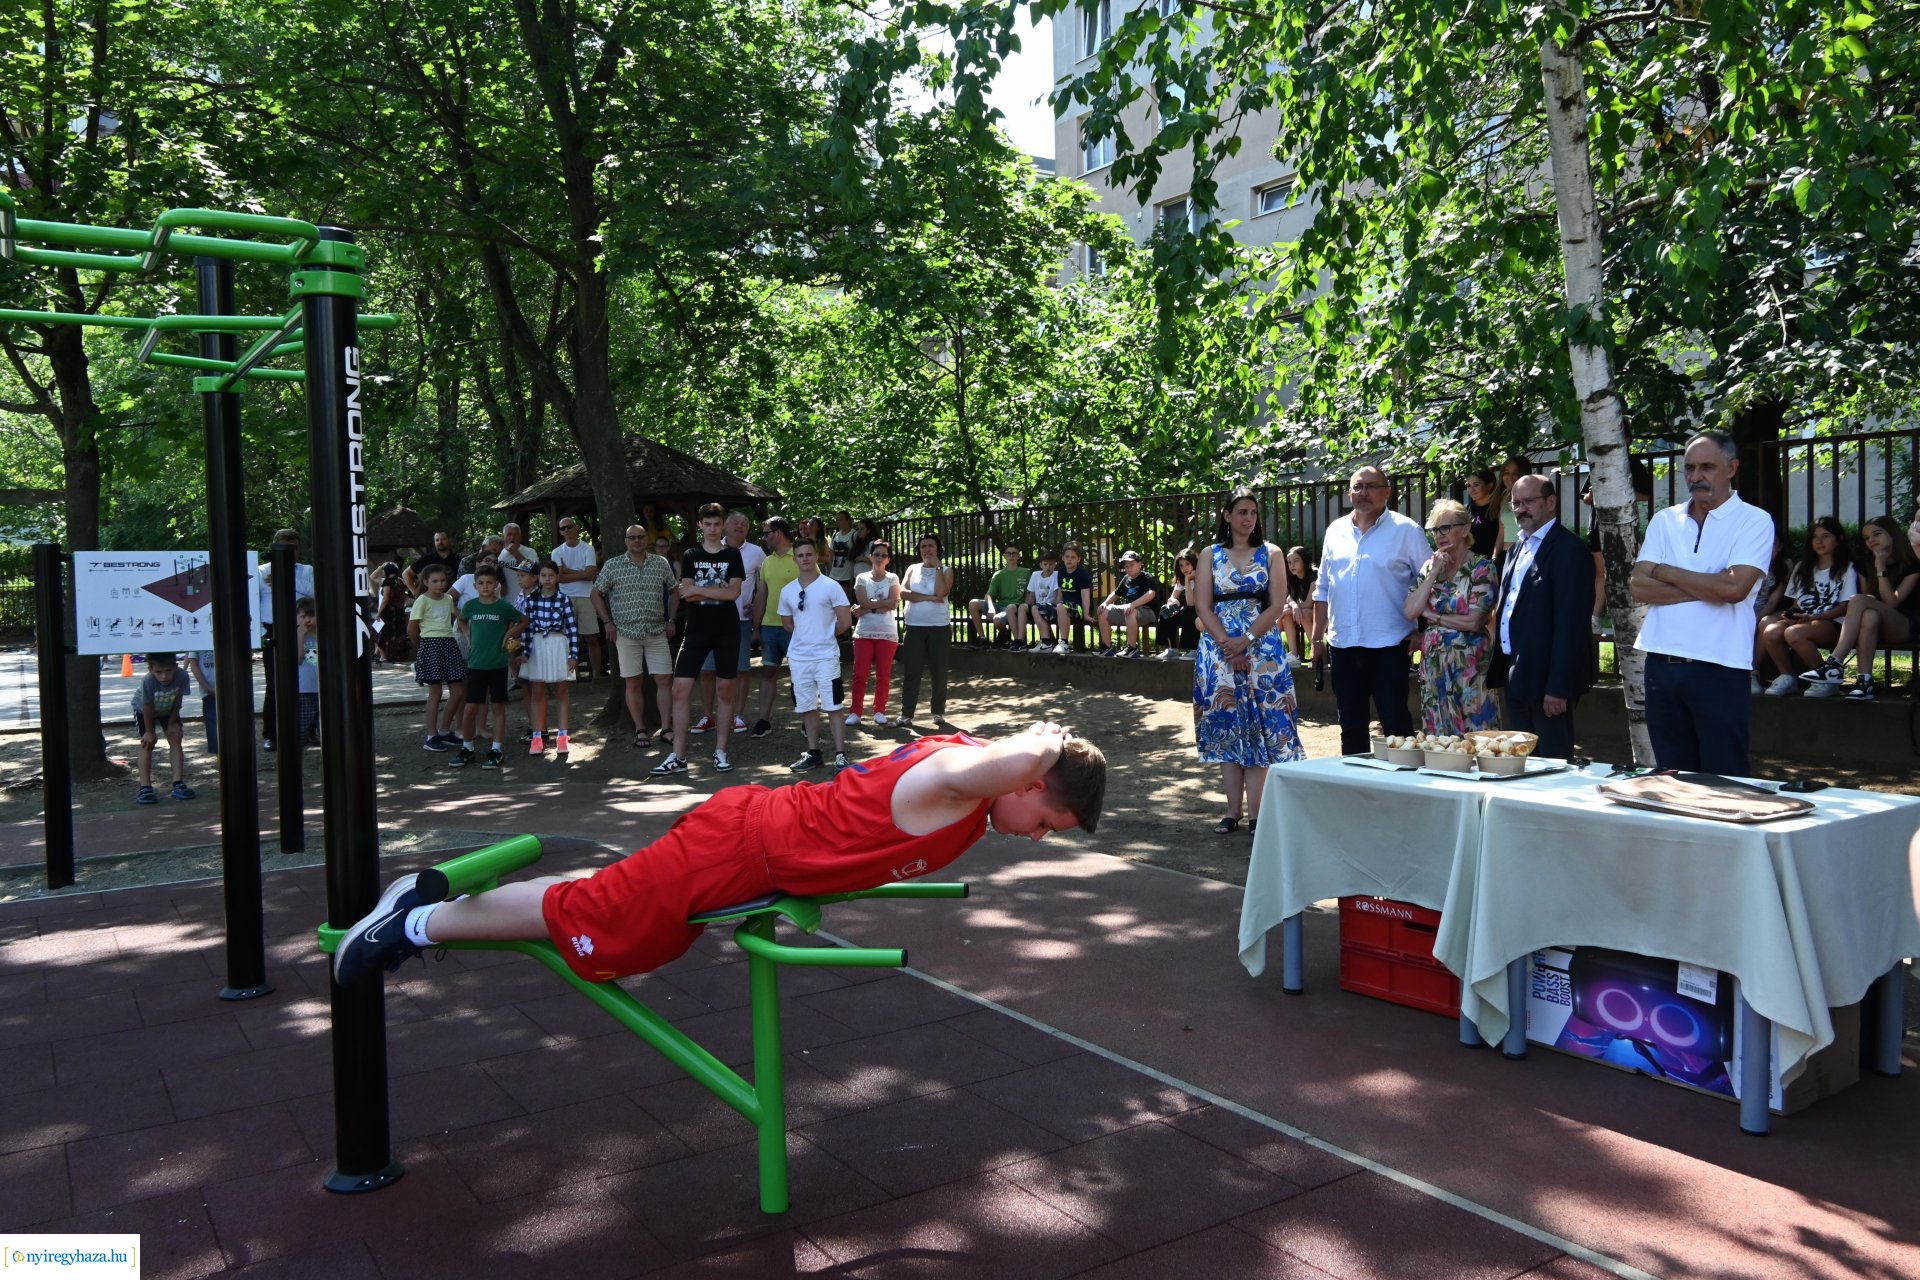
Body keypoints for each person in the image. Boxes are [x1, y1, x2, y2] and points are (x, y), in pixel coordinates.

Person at [332, 724, 1106, 987]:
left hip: (749, 842)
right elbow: (1008, 762)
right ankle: (413, 922)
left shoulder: (976, 796)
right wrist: (1048, 737)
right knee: (607, 920)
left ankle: (428, 905)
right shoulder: (961, 778)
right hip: (737, 850)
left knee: (612, 898)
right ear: (1031, 781)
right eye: (1047, 821)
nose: (1038, 836)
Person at [1629, 430, 1775, 774]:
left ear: (1731, 468)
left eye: (1707, 467)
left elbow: (1734, 589)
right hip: (1662, 664)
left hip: (1720, 665)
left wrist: (1664, 570)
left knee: (1724, 777)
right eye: (1690, 468)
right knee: (1672, 777)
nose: (1696, 476)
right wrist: (1710, 585)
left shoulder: (1754, 521)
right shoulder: (1665, 519)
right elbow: (1638, 587)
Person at [1193, 488, 1304, 834]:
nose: (1248, 518)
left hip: (1262, 648)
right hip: (1219, 649)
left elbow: (1277, 604)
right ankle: (1232, 811)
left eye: (1253, 512)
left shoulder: (1272, 552)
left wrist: (1247, 640)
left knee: (1262, 726)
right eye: (1241, 512)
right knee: (1228, 727)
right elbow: (1202, 605)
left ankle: (1256, 814)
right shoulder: (1209, 554)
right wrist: (1229, 646)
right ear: (1227, 516)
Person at [1310, 467, 1428, 755]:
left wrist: (1423, 630)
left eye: (1371, 486)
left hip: (1390, 645)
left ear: (1387, 492)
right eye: (1357, 487)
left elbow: (1430, 581)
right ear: (1349, 492)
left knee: (1396, 725)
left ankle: (1403, 780)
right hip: (1343, 645)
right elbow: (1323, 588)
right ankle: (1355, 781)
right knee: (1350, 726)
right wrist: (1315, 639)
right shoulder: (1335, 530)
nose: (1363, 493)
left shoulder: (1406, 530)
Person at [1492, 478, 1593, 756]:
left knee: (1552, 762)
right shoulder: (1516, 549)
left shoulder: (1569, 550)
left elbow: (1572, 626)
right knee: (1521, 762)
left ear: (1551, 502)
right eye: (1515, 503)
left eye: (1528, 501)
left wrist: (1559, 687)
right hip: (1516, 671)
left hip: (1548, 678)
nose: (1520, 509)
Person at [654, 503, 745, 776]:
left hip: (727, 631)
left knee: (725, 691)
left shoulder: (732, 554)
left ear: (723, 525)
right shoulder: (692, 555)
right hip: (695, 631)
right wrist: (716, 589)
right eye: (708, 524)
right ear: (700, 526)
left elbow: (734, 593)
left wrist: (700, 589)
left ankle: (720, 751)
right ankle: (678, 756)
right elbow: (686, 594)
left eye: (717, 524)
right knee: (680, 689)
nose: (713, 529)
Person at [1404, 499, 1499, 737]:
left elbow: (1475, 622)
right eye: (1435, 529)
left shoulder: (1481, 567)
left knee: (1477, 735)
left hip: (1470, 667)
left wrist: (1432, 615)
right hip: (1434, 666)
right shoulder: (1430, 567)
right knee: (1438, 734)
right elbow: (1410, 610)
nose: (1439, 535)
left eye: (1445, 528)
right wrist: (1434, 572)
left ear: (1465, 530)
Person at [1799, 515, 1919, 701]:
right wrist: (1873, 576)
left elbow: (1891, 602)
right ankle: (1865, 682)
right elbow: (1867, 599)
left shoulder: (1912, 564)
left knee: (1859, 601)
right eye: (1867, 537)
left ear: (1892, 534)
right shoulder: (1863, 564)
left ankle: (1834, 663)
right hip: (1874, 622)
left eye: (1877, 534)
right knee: (1869, 614)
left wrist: (1880, 568)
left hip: (1904, 625)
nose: (1871, 540)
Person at [593, 525, 678, 748]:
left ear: (646, 539)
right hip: (626, 633)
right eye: (632, 538)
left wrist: (671, 619)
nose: (637, 541)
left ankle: (666, 728)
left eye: (640, 537)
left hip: (657, 630)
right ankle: (640, 729)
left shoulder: (660, 563)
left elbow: (674, 590)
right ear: (626, 541)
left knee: (664, 680)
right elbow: (596, 593)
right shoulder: (613, 565)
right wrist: (607, 622)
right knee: (633, 682)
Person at [1756, 515, 1858, 696]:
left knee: (1793, 633)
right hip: (1805, 619)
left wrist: (1815, 617)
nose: (1819, 541)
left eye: (1825, 536)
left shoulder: (1847, 568)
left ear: (1839, 539)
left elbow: (1845, 607)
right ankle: (1787, 676)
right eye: (1815, 537)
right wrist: (1793, 616)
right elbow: (1796, 603)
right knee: (1770, 629)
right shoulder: (1802, 567)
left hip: (1832, 621)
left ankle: (1827, 678)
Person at [779, 538, 853, 770]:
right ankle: (814, 753)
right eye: (800, 555)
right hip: (799, 658)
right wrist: (807, 636)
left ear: (816, 556)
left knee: (833, 705)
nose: (805, 559)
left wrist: (824, 636)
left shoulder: (831, 586)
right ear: (794, 559)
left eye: (809, 554)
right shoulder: (787, 590)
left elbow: (845, 621)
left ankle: (840, 755)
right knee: (807, 706)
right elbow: (788, 623)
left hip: (826, 657)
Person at [693, 511, 762, 738]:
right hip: (709, 619)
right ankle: (707, 716)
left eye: (744, 524)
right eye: (735, 523)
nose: (739, 526)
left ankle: (738, 715)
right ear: (726, 526)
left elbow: (765, 583)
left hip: (741, 621)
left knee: (741, 669)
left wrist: (756, 604)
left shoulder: (757, 552)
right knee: (707, 670)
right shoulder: (710, 549)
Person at [451, 566, 526, 769]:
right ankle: (467, 748)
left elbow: (523, 620)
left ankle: (496, 750)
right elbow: (461, 619)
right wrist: (467, 634)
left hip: (498, 665)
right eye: (481, 583)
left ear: (496, 585)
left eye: (489, 583)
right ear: (475, 586)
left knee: (498, 707)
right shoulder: (471, 606)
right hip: (476, 665)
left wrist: (509, 634)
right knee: (470, 709)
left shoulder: (503, 607)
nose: (485, 587)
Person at [257, 527, 314, 753]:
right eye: (284, 548)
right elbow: (252, 600)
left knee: (310, 676)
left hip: (307, 631)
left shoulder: (307, 571)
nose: (290, 553)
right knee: (275, 682)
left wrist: (286, 578)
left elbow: (316, 593)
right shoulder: (261, 572)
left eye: (293, 548)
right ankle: (271, 734)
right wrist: (261, 631)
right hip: (273, 632)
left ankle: (310, 728)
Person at [518, 560, 581, 756]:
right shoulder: (531, 600)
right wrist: (525, 652)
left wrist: (573, 653)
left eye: (551, 575)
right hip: (537, 645)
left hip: (558, 644)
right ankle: (537, 736)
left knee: (561, 690)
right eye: (544, 575)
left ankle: (562, 736)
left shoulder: (564, 600)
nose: (547, 579)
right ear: (538, 577)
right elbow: (527, 628)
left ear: (557, 578)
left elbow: (572, 628)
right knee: (537, 691)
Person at [1582, 458, 1653, 629]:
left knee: (1626, 572)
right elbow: (1585, 498)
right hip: (1598, 528)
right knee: (1601, 574)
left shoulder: (1633, 464)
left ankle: (1634, 618)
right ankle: (1595, 618)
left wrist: (1617, 494)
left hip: (1623, 528)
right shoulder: (1598, 461)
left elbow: (1645, 495)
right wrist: (1591, 496)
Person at [750, 517, 800, 740]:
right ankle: (763, 720)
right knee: (769, 672)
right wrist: (756, 628)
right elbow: (761, 595)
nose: (764, 538)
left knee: (800, 674)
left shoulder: (801, 556)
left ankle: (807, 721)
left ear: (777, 533)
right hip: (770, 626)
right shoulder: (767, 562)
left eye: (766, 533)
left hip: (796, 628)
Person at [898, 533, 954, 728]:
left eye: (931, 545)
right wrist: (928, 598)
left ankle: (938, 711)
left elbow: (942, 592)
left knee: (939, 671)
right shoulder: (912, 569)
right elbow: (903, 593)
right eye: (923, 546)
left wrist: (937, 568)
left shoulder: (946, 570)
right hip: (914, 626)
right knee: (912, 671)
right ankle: (906, 714)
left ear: (938, 549)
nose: (927, 549)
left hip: (939, 627)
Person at [409, 564, 467, 750]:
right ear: (426, 582)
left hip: (449, 643)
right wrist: (422, 647)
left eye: (442, 580)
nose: (440, 584)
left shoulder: (448, 599)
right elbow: (412, 630)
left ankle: (444, 731)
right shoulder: (422, 600)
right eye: (435, 581)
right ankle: (431, 736)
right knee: (436, 692)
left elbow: (460, 616)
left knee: (458, 691)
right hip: (430, 644)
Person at [847, 538, 901, 727]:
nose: (880, 558)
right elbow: (863, 601)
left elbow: (893, 604)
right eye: (876, 554)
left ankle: (879, 710)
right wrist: (878, 605)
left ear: (888, 559)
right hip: (864, 633)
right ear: (870, 556)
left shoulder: (893, 578)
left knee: (883, 675)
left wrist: (867, 608)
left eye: (884, 555)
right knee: (859, 674)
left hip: (887, 633)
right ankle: (855, 712)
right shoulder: (862, 578)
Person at [132, 652, 195, 805]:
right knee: (148, 743)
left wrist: (172, 722)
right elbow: (147, 706)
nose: (164, 676)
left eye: (168, 671)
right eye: (158, 672)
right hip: (144, 710)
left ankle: (178, 783)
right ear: (151, 669)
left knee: (175, 737)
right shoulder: (148, 681)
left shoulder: (182, 676)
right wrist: (149, 732)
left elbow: (178, 700)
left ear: (175, 667)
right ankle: (145, 787)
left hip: (168, 709)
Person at [549, 517, 603, 681]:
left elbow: (591, 575)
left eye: (569, 526)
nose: (566, 530)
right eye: (563, 528)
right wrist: (582, 573)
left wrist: (567, 571)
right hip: (565, 599)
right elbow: (559, 578)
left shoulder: (588, 548)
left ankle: (596, 675)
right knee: (568, 639)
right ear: (560, 532)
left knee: (591, 638)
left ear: (576, 527)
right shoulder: (557, 552)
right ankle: (573, 676)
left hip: (587, 596)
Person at [1095, 551, 1162, 657]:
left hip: (1148, 612)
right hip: (1130, 611)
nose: (1129, 568)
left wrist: (1133, 604)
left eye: (1132, 565)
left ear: (1140, 564)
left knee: (1130, 610)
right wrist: (1105, 603)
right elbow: (1116, 593)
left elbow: (1151, 594)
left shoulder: (1147, 577)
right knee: (1104, 611)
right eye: (1126, 566)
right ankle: (1107, 648)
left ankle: (1132, 649)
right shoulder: (1126, 579)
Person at [969, 545, 1029, 648]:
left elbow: (1029, 593)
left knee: (997, 619)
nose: (1011, 556)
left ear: (1019, 556)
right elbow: (989, 594)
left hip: (1015, 608)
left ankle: (1004, 635)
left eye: (1014, 553)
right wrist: (991, 608)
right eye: (1008, 553)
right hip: (1000, 606)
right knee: (973, 603)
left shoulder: (1026, 572)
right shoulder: (998, 574)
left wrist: (1025, 609)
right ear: (1004, 556)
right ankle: (983, 638)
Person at [1156, 549, 1201, 660]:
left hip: (1202, 614)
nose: (1184, 568)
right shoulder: (1181, 578)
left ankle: (1193, 650)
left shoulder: (1201, 577)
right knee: (1166, 610)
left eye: (1187, 564)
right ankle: (1172, 649)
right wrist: (1172, 603)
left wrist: (1188, 580)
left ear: (1194, 563)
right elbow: (1172, 597)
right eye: (1181, 565)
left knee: (1189, 610)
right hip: (1189, 613)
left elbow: (1191, 603)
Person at [1057, 542, 1095, 654]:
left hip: (1079, 609)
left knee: (1061, 606)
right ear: (1063, 558)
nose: (1069, 559)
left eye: (1073, 557)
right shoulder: (1061, 571)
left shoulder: (1082, 574)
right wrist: (1055, 606)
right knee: (1037, 609)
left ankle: (1064, 643)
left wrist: (1086, 614)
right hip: (1063, 607)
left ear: (1078, 559)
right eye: (1067, 556)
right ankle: (1046, 643)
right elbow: (1060, 592)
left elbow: (1085, 595)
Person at [1023, 549, 1064, 652]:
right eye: (1045, 564)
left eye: (1051, 564)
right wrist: (1028, 607)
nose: (1048, 567)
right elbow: (1031, 594)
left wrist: (1056, 607)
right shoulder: (1035, 575)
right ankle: (1021, 642)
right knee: (1027, 608)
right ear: (1041, 564)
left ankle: (1046, 643)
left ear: (1055, 564)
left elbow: (1057, 594)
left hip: (1050, 606)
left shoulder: (1057, 575)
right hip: (1037, 606)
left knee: (1036, 609)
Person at [293, 597, 321, 750]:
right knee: (301, 727)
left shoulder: (321, 635)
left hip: (321, 689)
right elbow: (298, 659)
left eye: (311, 616)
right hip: (303, 690)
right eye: (303, 616)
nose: (307, 620)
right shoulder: (297, 636)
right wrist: (301, 635)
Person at [1280, 546, 1315, 667]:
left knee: (1302, 613)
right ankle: (1294, 656)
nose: (1292, 565)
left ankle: (1315, 653)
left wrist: (1292, 608)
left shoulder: (1314, 574)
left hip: (1321, 613)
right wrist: (1294, 606)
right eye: (1289, 562)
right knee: (1286, 615)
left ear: (1304, 561)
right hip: (1304, 611)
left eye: (1296, 560)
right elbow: (1288, 597)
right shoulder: (1292, 577)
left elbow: (1309, 603)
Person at [403, 530, 459, 597]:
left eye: (443, 539)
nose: (440, 542)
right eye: (437, 540)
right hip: (431, 599)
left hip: (455, 599)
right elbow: (406, 573)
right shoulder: (427, 559)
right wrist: (414, 592)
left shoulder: (458, 559)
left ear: (449, 540)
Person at [1464, 469, 1504, 560]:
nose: (1471, 490)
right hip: (1470, 563)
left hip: (1493, 562)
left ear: (1489, 486)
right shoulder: (1465, 510)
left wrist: (1493, 559)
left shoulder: (1499, 508)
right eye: (1468, 486)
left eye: (1476, 485)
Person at [375, 562, 410, 664]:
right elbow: (405, 597)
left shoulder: (388, 581)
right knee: (397, 634)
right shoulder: (400, 581)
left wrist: (379, 612)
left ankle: (383, 656)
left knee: (378, 631)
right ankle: (397, 655)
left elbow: (386, 598)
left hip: (388, 611)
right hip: (400, 610)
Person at [497, 523, 540, 601]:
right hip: (504, 600)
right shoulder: (498, 553)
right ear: (504, 537)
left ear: (520, 537)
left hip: (525, 599)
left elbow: (534, 571)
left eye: (515, 535)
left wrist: (516, 553)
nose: (512, 537)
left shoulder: (530, 552)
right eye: (509, 534)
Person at [188, 650, 217, 756]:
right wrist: (207, 688)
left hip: (230, 688)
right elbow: (193, 664)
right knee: (213, 724)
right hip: (208, 692)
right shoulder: (196, 642)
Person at [828, 511, 858, 591]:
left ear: (848, 520)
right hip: (833, 575)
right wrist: (830, 571)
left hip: (847, 577)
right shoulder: (836, 535)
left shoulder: (854, 535)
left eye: (840, 519)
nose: (838, 522)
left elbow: (857, 556)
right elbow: (831, 555)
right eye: (836, 520)